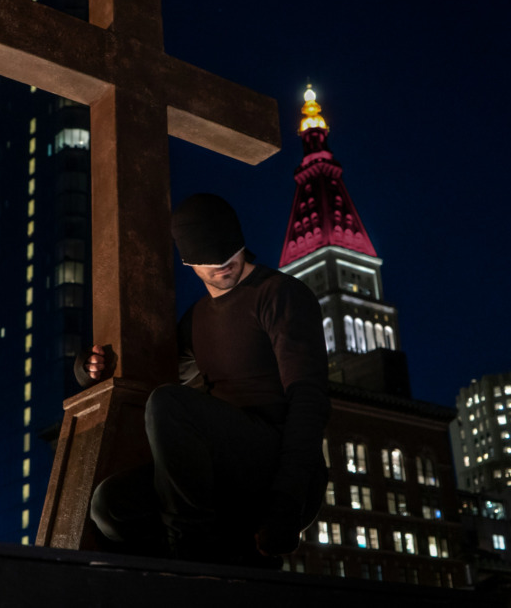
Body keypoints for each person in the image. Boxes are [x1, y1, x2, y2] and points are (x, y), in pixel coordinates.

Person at [77, 193, 330, 564]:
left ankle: (192, 557)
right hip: (220, 471)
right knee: (111, 506)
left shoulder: (279, 295)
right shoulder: (195, 321)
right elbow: (148, 375)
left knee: (170, 402)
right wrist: (89, 368)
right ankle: (222, 553)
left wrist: (287, 502)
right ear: (189, 262)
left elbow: (309, 399)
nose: (224, 267)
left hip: (274, 461)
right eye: (211, 263)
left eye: (230, 257)